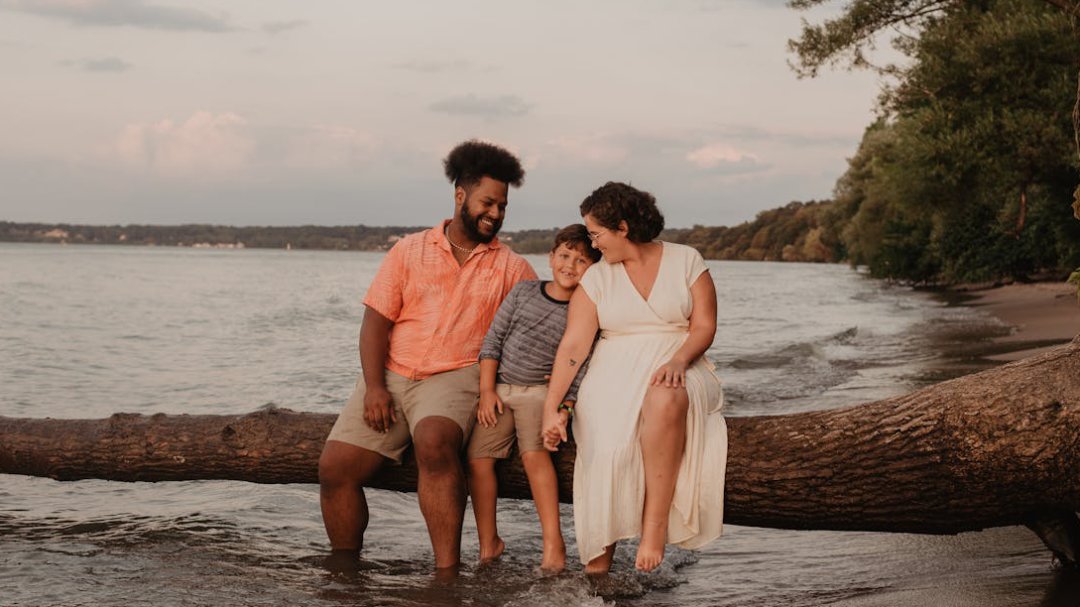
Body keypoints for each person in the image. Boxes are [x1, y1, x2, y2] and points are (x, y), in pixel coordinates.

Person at [318, 140, 537, 572]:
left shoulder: (512, 268)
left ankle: (445, 575)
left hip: (456, 376)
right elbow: (375, 323)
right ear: (460, 195)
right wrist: (376, 387)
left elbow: (544, 320)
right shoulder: (408, 250)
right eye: (487, 202)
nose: (495, 213)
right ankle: (345, 574)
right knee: (334, 468)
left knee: (434, 442)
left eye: (503, 206)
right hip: (392, 373)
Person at [541, 181, 727, 573]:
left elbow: (705, 326)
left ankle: (654, 527)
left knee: (664, 394)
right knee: (607, 446)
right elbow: (573, 348)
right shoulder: (597, 278)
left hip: (681, 360)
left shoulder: (687, 259)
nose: (592, 243)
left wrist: (679, 361)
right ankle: (597, 566)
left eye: (596, 233)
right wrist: (553, 409)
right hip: (613, 372)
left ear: (622, 228)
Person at [466, 224, 601, 572]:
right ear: (551, 256)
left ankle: (554, 545)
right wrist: (485, 391)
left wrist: (564, 407)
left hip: (541, 395)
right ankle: (488, 542)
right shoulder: (524, 292)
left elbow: (581, 365)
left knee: (533, 457)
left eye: (582, 261)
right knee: (479, 459)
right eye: (565, 256)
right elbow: (492, 341)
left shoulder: (585, 310)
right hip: (500, 390)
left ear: (594, 269)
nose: (570, 265)